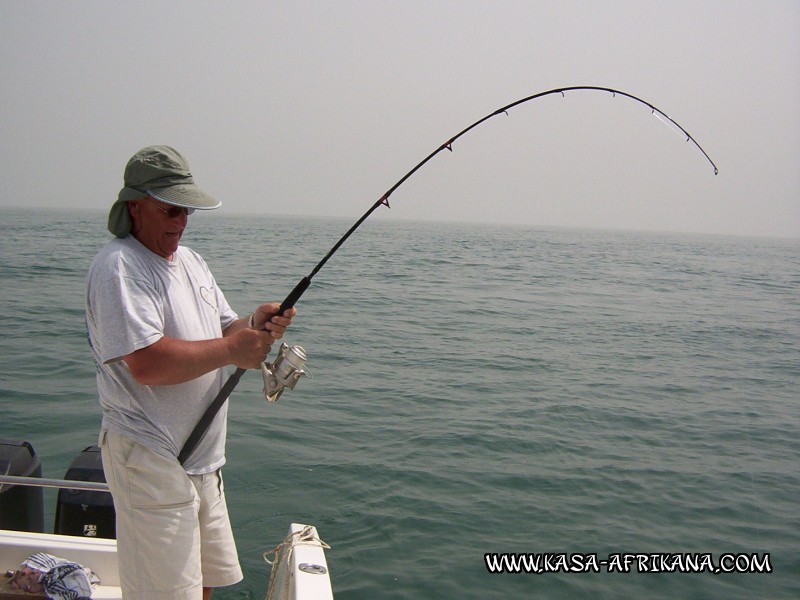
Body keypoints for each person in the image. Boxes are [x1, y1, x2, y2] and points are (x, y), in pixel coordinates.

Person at [85, 145, 296, 599]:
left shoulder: (191, 261)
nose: (179, 222)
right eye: (169, 210)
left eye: (186, 211)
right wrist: (230, 349)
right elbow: (146, 363)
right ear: (134, 206)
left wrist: (255, 324)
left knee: (204, 585)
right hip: (150, 456)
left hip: (202, 460)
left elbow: (224, 329)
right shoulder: (120, 267)